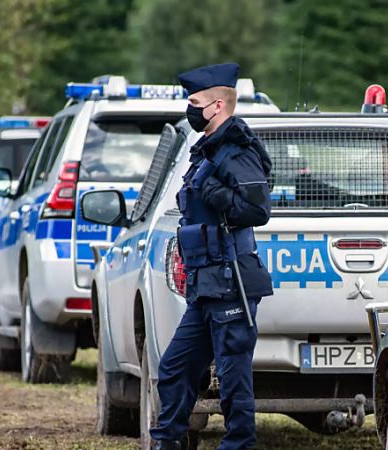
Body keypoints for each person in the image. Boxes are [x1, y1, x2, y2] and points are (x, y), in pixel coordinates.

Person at [151, 63, 274, 450]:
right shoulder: (208, 151)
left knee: (233, 377)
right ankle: (166, 441)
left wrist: (218, 196)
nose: (189, 109)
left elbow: (258, 210)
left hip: (230, 281)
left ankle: (238, 444)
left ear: (217, 105)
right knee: (174, 367)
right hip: (206, 286)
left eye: (194, 102)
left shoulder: (235, 150)